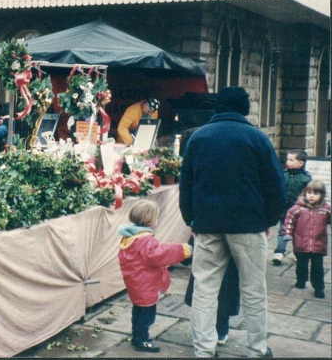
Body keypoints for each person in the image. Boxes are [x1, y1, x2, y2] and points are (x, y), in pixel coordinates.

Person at [178, 86, 285, 358]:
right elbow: (275, 185)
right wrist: (270, 219)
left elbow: (186, 184)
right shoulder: (257, 138)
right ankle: (257, 348)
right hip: (248, 224)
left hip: (207, 223)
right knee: (253, 290)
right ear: (243, 108)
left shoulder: (198, 137)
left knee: (205, 289)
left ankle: (204, 350)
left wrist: (191, 218)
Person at [118, 199, 192, 353]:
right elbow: (159, 255)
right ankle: (142, 340)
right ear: (151, 220)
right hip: (146, 285)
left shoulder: (129, 237)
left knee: (138, 311)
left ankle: (137, 335)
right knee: (147, 315)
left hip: (136, 284)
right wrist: (182, 249)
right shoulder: (146, 240)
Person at [182, 236, 240, 346]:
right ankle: (220, 332)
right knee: (224, 298)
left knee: (204, 295)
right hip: (232, 251)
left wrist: (185, 257)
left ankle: (203, 335)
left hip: (208, 242)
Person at [280, 180, 331, 299]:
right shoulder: (297, 208)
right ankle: (301, 281)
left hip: (319, 244)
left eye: (316, 193)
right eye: (309, 192)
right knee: (301, 265)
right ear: (305, 193)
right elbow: (289, 221)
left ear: (322, 195)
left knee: (317, 267)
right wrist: (287, 233)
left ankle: (319, 288)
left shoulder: (326, 209)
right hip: (301, 243)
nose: (311, 196)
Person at [272, 149, 311, 265]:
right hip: (285, 208)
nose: (287, 162)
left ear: (301, 163)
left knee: (298, 232)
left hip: (299, 210)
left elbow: (308, 195)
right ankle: (279, 252)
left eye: (291, 160)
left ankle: (298, 253)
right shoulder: (283, 175)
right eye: (287, 159)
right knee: (282, 230)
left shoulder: (306, 179)